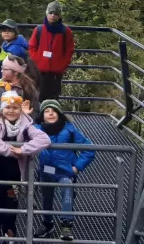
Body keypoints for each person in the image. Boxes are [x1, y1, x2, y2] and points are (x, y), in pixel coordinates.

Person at [0, 89, 50, 239]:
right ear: (2, 109)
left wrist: (23, 149)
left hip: (14, 178)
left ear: (20, 110)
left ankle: (10, 239)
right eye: (7, 107)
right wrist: (11, 151)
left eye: (15, 108)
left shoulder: (26, 126)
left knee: (10, 214)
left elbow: (44, 139)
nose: (11, 111)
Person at [34, 100, 94, 241]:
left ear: (59, 114)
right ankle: (47, 224)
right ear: (42, 116)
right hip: (47, 169)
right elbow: (23, 132)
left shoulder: (69, 129)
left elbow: (89, 149)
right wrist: (25, 115)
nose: (50, 114)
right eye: (47, 111)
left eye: (54, 111)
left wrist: (76, 167)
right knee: (46, 196)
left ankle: (66, 225)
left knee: (67, 190)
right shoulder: (37, 129)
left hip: (65, 171)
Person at [30, 1, 75, 100]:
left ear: (59, 16)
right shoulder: (39, 30)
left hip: (56, 72)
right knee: (39, 97)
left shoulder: (66, 31)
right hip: (40, 71)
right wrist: (38, 60)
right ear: (47, 13)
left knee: (54, 99)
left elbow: (69, 50)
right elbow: (32, 47)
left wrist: (63, 65)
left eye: (56, 14)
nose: (53, 15)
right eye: (51, 13)